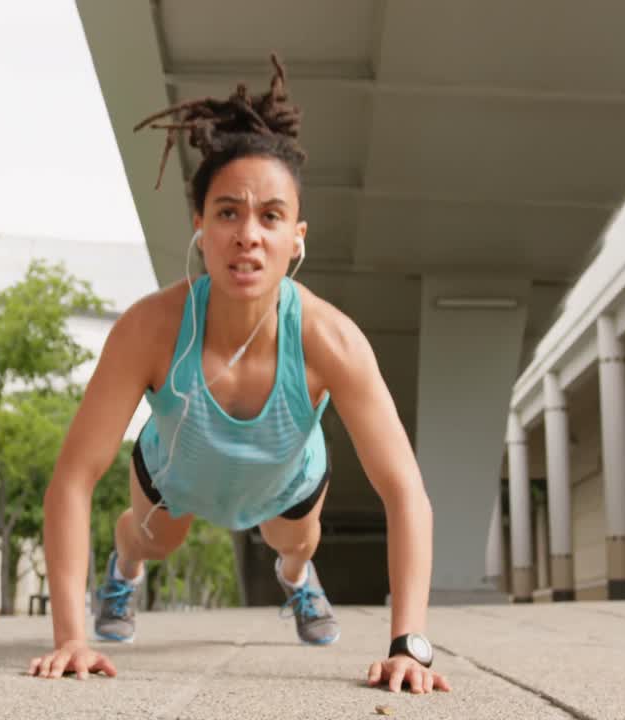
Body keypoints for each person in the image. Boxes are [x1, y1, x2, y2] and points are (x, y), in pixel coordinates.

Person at [26, 55, 450, 695]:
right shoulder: (151, 329)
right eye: (228, 213)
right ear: (200, 224)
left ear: (296, 237)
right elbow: (73, 479)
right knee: (151, 541)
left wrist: (408, 647)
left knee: (294, 543)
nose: (247, 235)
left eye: (270, 217)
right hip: (176, 470)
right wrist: (69, 639)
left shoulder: (331, 339)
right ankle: (124, 570)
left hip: (285, 481)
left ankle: (299, 581)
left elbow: (405, 491)